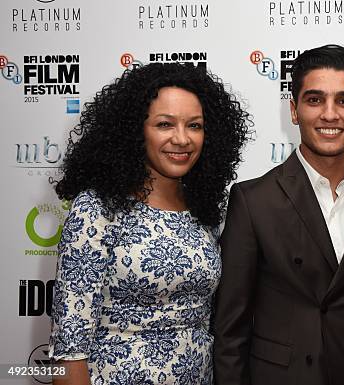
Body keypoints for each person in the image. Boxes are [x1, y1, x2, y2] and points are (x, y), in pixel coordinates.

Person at [214, 44, 344, 385]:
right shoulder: (253, 200)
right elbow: (231, 329)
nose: (329, 114)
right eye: (315, 100)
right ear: (294, 110)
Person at [49, 62, 251, 384]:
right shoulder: (97, 208)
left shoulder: (205, 211)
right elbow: (69, 350)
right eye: (165, 124)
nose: (182, 139)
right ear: (135, 130)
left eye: (195, 126)